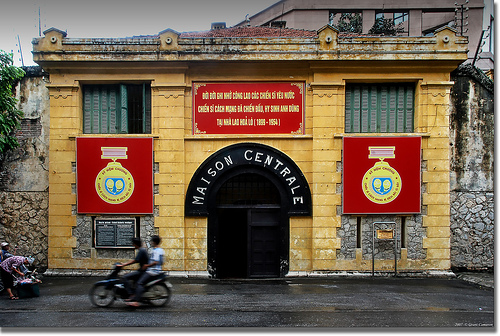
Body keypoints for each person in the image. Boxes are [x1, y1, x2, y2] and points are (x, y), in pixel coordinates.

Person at [126, 235, 165, 307]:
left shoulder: (156, 251)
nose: (151, 243)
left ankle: (136, 301)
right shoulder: (161, 250)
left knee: (139, 283)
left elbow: (155, 262)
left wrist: (147, 266)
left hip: (152, 271)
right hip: (156, 270)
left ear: (154, 242)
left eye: (152, 241)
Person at [117, 237, 149, 302]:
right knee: (129, 276)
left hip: (142, 271)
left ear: (136, 244)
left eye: (133, 244)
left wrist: (123, 264)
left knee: (125, 277)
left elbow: (135, 261)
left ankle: (131, 294)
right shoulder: (142, 250)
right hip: (142, 270)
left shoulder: (141, 251)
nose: (132, 245)